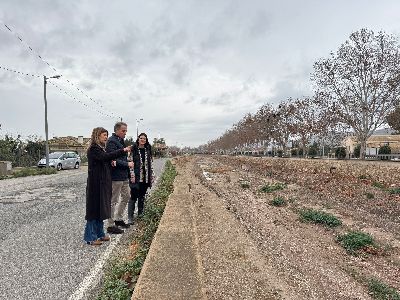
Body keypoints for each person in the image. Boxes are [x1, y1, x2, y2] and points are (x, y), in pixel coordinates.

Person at [84, 127, 131, 245]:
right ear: (97, 135)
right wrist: (123, 150)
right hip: (95, 185)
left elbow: (106, 160)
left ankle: (100, 234)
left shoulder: (101, 149)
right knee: (93, 211)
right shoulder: (94, 149)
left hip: (102, 184)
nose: (106, 137)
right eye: (104, 135)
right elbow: (105, 157)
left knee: (100, 210)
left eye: (106, 135)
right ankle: (90, 238)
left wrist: (112, 163)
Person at [106, 122, 133, 234]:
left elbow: (120, 159)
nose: (125, 133)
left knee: (127, 196)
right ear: (117, 130)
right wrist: (127, 164)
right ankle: (110, 225)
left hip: (124, 176)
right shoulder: (112, 141)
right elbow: (113, 160)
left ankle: (118, 219)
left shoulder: (121, 141)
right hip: (116, 176)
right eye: (123, 131)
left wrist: (128, 163)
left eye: (126, 131)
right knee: (114, 201)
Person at [127, 132, 154, 225]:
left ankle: (140, 214)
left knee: (142, 197)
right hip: (135, 177)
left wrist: (151, 176)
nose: (143, 140)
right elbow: (130, 162)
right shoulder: (133, 149)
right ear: (138, 139)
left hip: (145, 178)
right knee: (133, 196)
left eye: (144, 139)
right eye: (141, 138)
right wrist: (131, 175)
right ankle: (130, 217)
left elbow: (150, 164)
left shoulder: (148, 150)